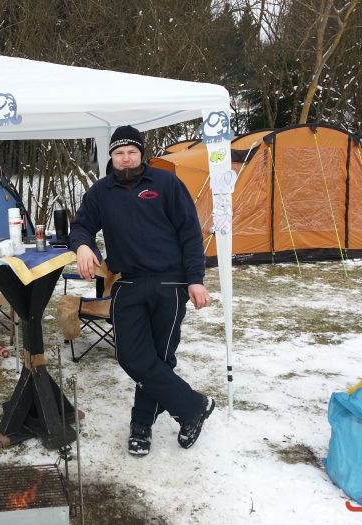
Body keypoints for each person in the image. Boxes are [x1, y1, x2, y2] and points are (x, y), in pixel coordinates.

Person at [68, 125, 215, 456]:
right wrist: (83, 246)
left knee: (160, 358)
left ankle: (141, 425)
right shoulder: (101, 192)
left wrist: (195, 279)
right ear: (111, 157)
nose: (125, 158)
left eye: (131, 152)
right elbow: (81, 226)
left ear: (141, 154)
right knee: (130, 356)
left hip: (170, 282)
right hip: (129, 281)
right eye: (119, 153)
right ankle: (193, 406)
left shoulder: (166, 184)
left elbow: (190, 233)